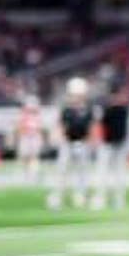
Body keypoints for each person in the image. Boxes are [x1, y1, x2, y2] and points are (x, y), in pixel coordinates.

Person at [49, 77, 97, 210]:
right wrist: (63, 139)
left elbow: (91, 127)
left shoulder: (88, 109)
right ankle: (57, 196)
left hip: (83, 144)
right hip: (68, 144)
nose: (77, 97)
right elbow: (62, 126)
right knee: (62, 171)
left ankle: (80, 195)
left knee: (83, 172)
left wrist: (90, 141)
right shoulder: (67, 110)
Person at [96, 87, 129, 210]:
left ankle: (119, 198)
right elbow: (102, 125)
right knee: (103, 172)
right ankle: (101, 198)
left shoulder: (123, 110)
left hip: (119, 145)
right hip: (107, 145)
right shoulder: (108, 110)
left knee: (119, 173)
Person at [17, 93, 45, 183]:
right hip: (26, 137)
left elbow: (40, 128)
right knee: (25, 156)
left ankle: (34, 174)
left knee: (34, 156)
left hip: (34, 137)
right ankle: (25, 174)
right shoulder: (24, 115)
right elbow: (20, 127)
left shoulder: (38, 115)